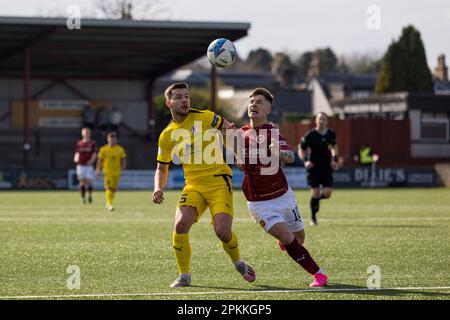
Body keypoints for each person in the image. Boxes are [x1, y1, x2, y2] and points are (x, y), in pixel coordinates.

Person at [152, 82, 256, 288]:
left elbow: (228, 129)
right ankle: (184, 276)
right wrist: (158, 188)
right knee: (180, 224)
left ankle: (238, 262)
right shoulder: (167, 135)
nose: (184, 100)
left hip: (219, 182)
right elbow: (161, 168)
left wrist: (237, 153)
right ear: (168, 103)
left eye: (186, 96)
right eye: (179, 97)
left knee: (222, 232)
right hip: (193, 186)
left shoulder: (205, 116)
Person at [234, 87, 328, 287]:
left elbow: (290, 155)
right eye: (251, 101)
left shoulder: (272, 132)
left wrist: (282, 154)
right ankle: (319, 275)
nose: (253, 104)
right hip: (259, 204)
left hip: (284, 196)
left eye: (259, 101)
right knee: (287, 237)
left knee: (299, 239)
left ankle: (286, 243)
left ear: (268, 109)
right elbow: (240, 162)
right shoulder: (241, 134)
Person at [299, 112, 339, 226]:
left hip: (326, 167)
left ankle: (315, 200)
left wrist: (335, 160)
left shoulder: (331, 134)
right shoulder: (310, 135)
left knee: (327, 194)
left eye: (324, 119)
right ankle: (313, 217)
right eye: (320, 119)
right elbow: (301, 149)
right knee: (315, 193)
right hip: (314, 168)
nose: (322, 121)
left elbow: (333, 147)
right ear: (316, 121)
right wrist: (305, 161)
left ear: (327, 121)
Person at [96, 132, 127, 211]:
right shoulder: (103, 149)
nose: (112, 140)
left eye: (114, 138)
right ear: (108, 139)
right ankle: (109, 203)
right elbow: (100, 160)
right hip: (107, 171)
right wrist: (98, 170)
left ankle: (109, 203)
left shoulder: (120, 149)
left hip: (116, 171)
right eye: (110, 138)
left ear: (116, 139)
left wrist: (123, 167)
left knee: (113, 188)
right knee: (108, 188)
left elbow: (123, 159)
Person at [74, 127, 97, 204]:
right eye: (84, 132)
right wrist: (75, 158)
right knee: (82, 182)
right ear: (82, 133)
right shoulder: (79, 143)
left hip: (88, 166)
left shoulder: (92, 143)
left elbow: (94, 153)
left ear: (90, 133)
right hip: (80, 165)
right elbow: (77, 152)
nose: (86, 134)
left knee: (89, 181)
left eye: (87, 132)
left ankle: (89, 195)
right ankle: (83, 198)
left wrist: (91, 161)